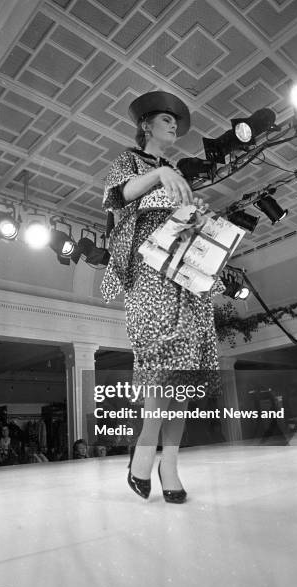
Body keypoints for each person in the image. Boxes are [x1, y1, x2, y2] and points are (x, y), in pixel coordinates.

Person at [101, 91, 224, 503]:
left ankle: (168, 462)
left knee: (185, 370)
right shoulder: (129, 161)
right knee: (157, 358)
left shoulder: (177, 172)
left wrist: (198, 215)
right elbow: (115, 199)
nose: (174, 125)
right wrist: (158, 176)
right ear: (145, 126)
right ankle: (144, 451)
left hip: (183, 269)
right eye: (165, 119)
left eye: (176, 121)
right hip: (148, 267)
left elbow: (181, 214)